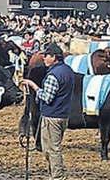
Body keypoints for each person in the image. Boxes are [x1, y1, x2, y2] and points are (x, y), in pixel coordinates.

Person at [22, 43, 74, 180]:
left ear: (54, 57)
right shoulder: (68, 70)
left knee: (52, 149)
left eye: (47, 56)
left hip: (52, 115)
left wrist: (33, 86)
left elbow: (47, 98)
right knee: (52, 148)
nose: (44, 58)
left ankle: (57, 176)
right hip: (63, 114)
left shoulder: (53, 75)